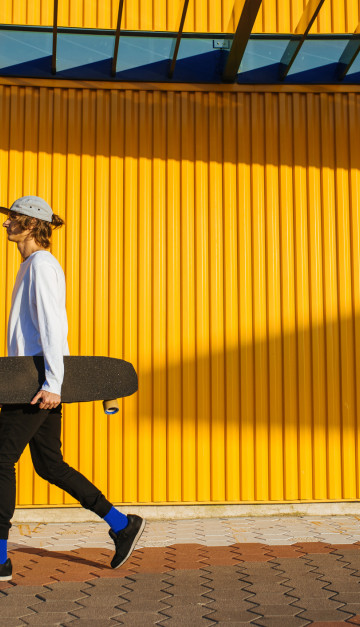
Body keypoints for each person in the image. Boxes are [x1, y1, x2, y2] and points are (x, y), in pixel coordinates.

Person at [0, 196, 145, 581]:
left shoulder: (42, 266)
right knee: (50, 465)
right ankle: (121, 523)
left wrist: (52, 384)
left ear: (32, 225)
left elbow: (53, 326)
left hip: (33, 384)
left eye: (13, 219)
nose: (6, 224)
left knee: (0, 460)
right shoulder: (30, 265)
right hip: (31, 380)